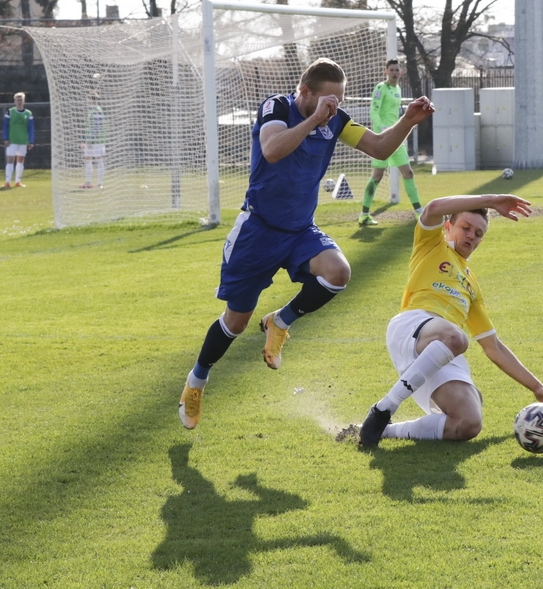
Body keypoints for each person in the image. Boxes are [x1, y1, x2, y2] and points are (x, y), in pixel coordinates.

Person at [179, 58, 435, 430]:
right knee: (235, 322)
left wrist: (408, 121)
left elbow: (379, 148)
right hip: (259, 231)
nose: (333, 108)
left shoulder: (336, 120)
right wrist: (314, 119)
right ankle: (196, 381)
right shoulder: (277, 107)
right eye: (326, 101)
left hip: (300, 230)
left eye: (338, 100)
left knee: (338, 272)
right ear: (305, 93)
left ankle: (280, 321)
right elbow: (272, 150)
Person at [358, 193, 543, 447]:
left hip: (442, 348)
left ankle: (382, 431)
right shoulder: (432, 245)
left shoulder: (472, 286)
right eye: (466, 228)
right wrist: (490, 201)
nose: (471, 236)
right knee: (456, 337)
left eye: (478, 233)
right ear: (449, 227)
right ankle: (384, 409)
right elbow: (433, 206)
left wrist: (537, 388)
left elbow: (494, 347)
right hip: (412, 327)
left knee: (469, 422)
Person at [358, 59, 423, 226]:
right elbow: (374, 111)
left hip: (397, 139)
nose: (394, 72)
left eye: (397, 70)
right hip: (383, 139)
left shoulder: (398, 89)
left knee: (408, 173)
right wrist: (382, 128)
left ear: (400, 72)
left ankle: (418, 212)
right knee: (377, 177)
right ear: (386, 72)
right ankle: (364, 214)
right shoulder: (381, 88)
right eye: (391, 70)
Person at [1, 92, 34, 188]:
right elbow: (5, 126)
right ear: (14, 101)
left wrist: (31, 141)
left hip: (23, 141)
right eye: (18, 100)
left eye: (21, 100)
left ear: (24, 101)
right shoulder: (10, 112)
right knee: (10, 160)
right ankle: (7, 182)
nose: (19, 102)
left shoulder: (28, 113)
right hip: (12, 140)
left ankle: (18, 182)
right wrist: (5, 138)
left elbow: (30, 128)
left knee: (20, 161)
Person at [80, 92, 108, 189]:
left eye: (87, 99)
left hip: (97, 141)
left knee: (99, 160)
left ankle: (100, 183)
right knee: (87, 160)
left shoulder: (97, 111)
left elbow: (97, 126)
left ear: (91, 100)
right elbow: (89, 127)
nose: (86, 101)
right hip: (91, 140)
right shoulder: (92, 111)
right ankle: (88, 182)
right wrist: (85, 139)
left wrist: (91, 140)